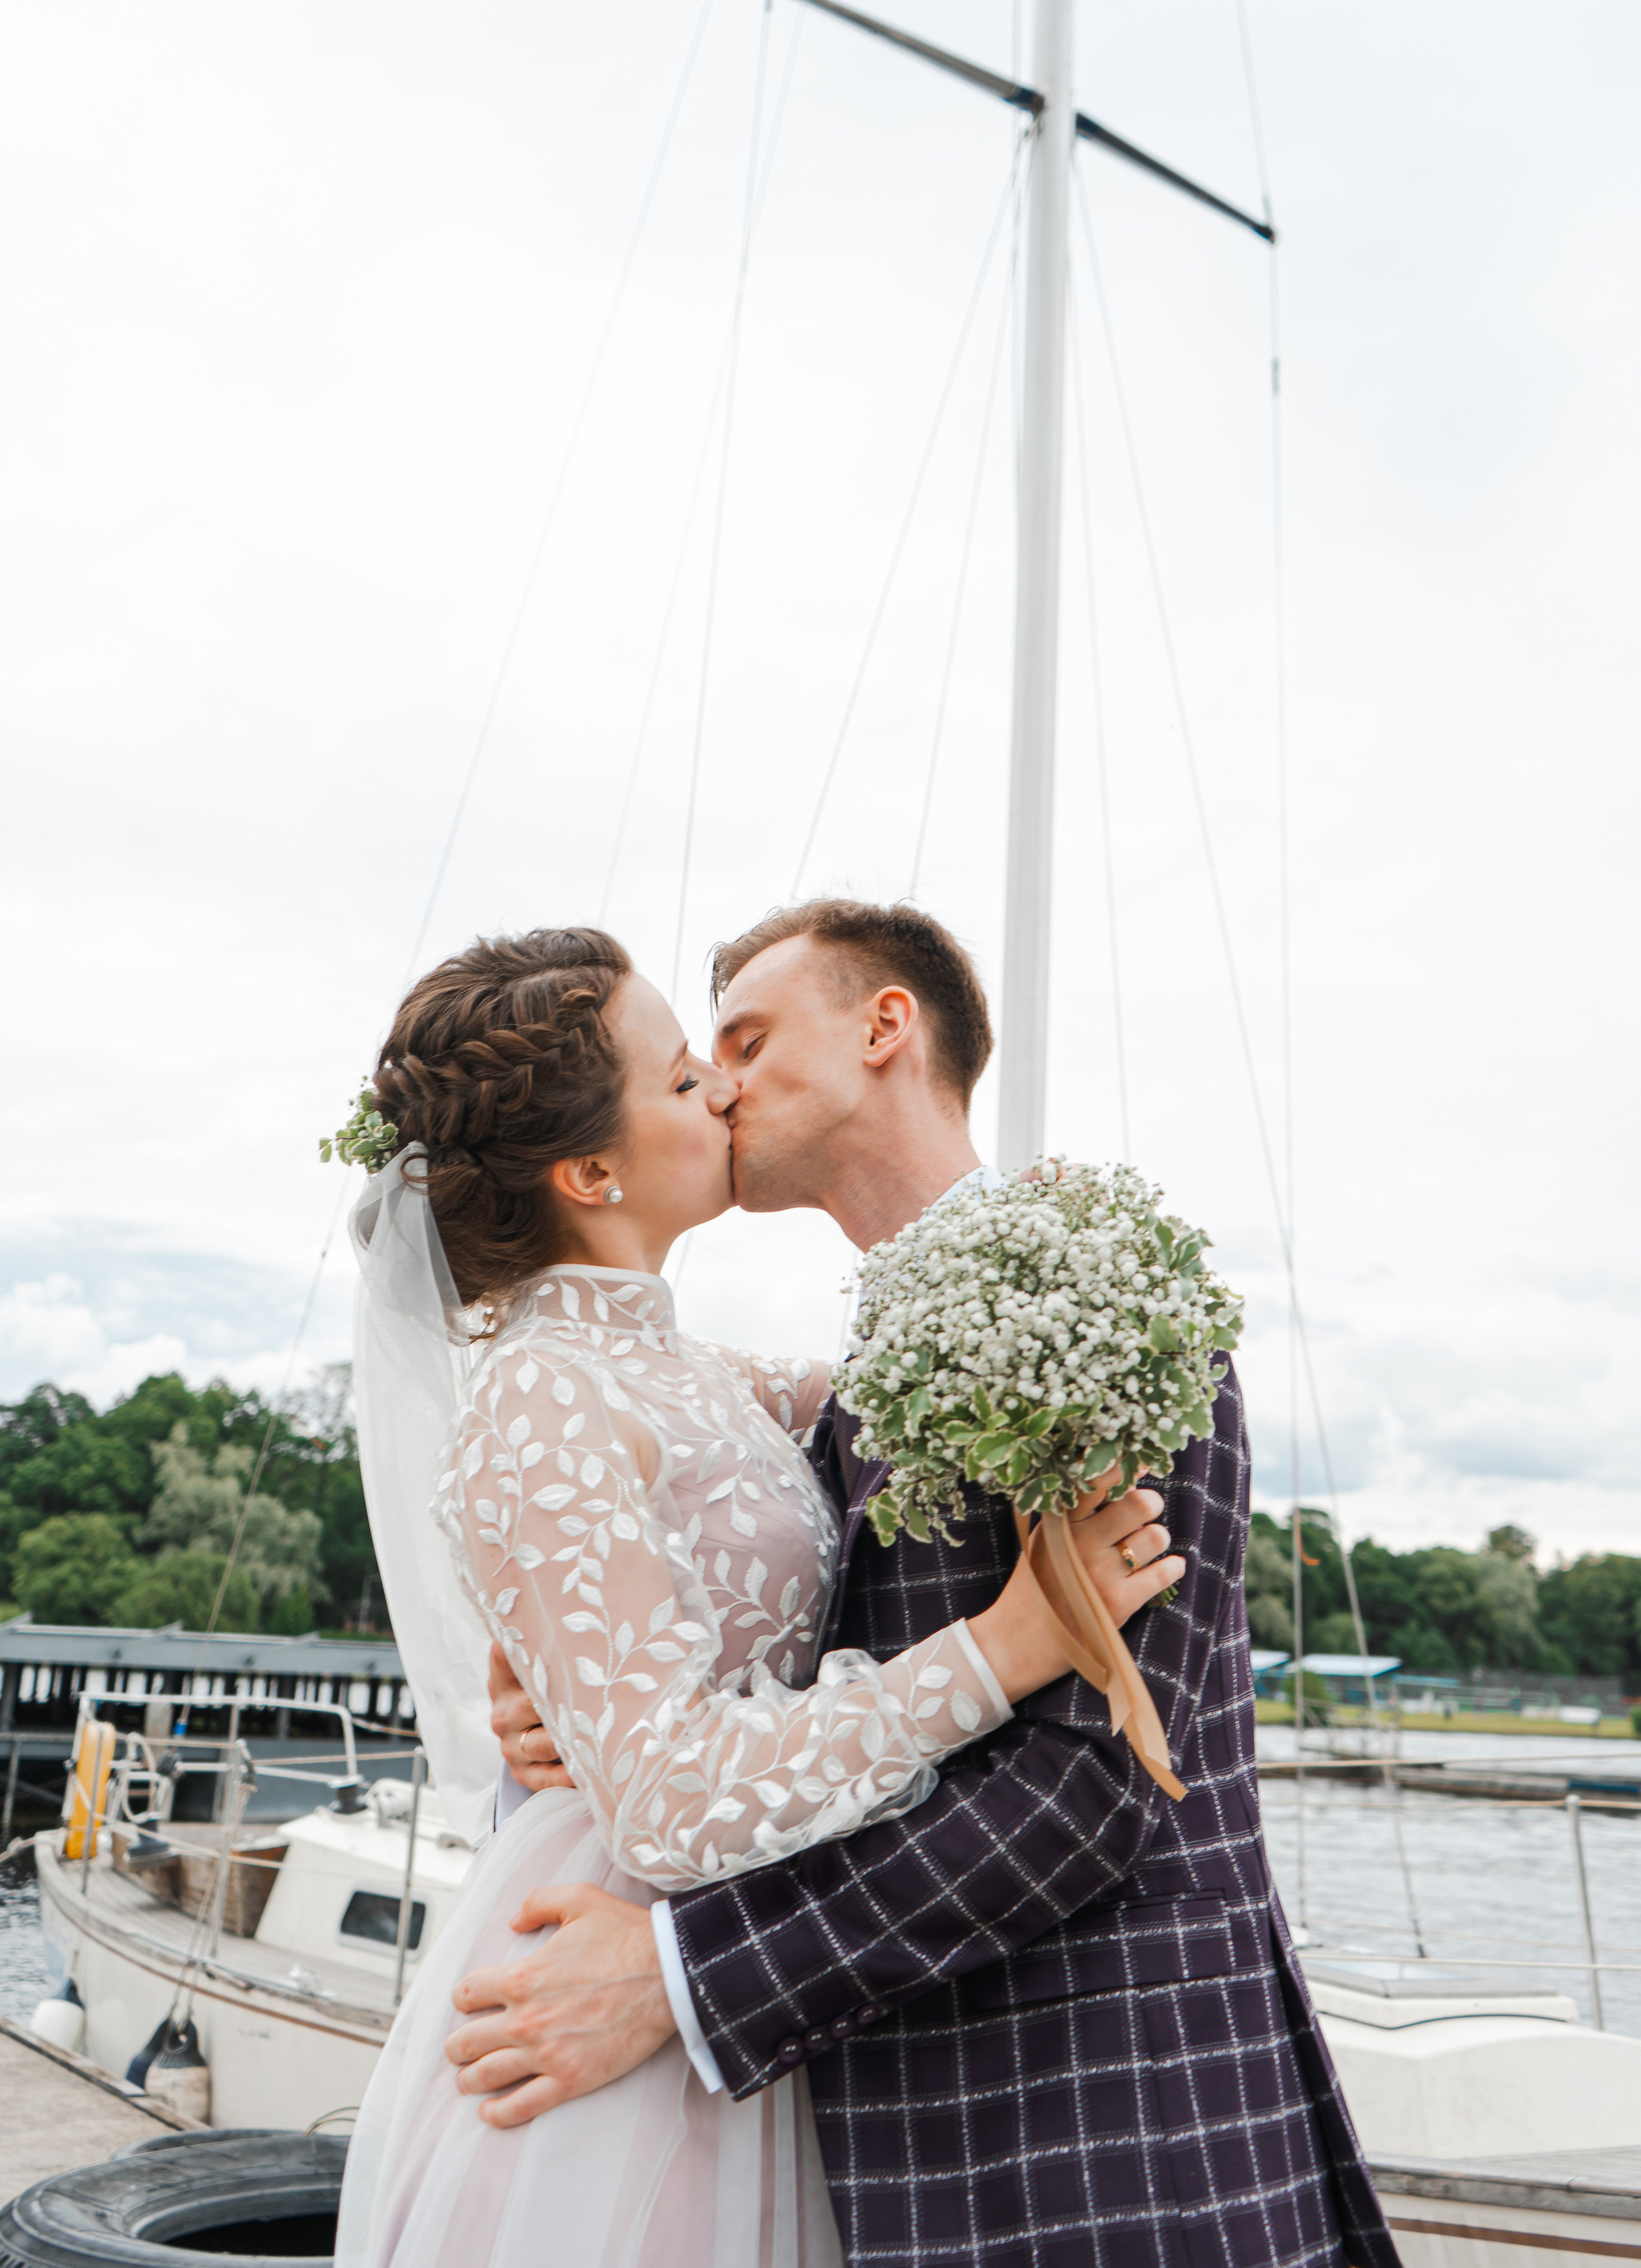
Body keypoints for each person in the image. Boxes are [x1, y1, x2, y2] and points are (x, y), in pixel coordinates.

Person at [467, 900, 1401, 2268]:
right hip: (878, 2148)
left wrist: (682, 1974)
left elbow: (1095, 1791)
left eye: (747, 1036)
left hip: (1114, 2134)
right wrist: (569, 1690)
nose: (715, 1081)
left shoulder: (1106, 1312)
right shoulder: (824, 1405)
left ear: (884, 1027)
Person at [335, 924, 1180, 2268]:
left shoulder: (686, 1367)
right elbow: (666, 1803)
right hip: (619, 1969)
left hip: (750, 1989)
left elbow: (869, 1426)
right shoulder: (540, 1392)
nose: (720, 1093)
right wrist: (1002, 1647)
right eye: (683, 1078)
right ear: (592, 1170)